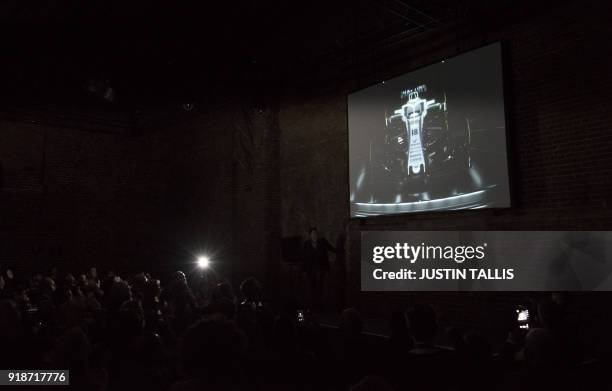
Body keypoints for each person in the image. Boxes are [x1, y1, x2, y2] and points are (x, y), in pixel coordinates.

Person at [303, 227, 336, 309]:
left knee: (320, 287)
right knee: (312, 288)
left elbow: (331, 248)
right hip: (311, 270)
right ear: (310, 235)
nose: (315, 235)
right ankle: (314, 306)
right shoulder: (306, 244)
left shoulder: (322, 241)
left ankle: (320, 306)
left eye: (316, 233)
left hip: (321, 268)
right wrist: (304, 269)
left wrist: (341, 250)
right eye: (313, 233)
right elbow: (304, 257)